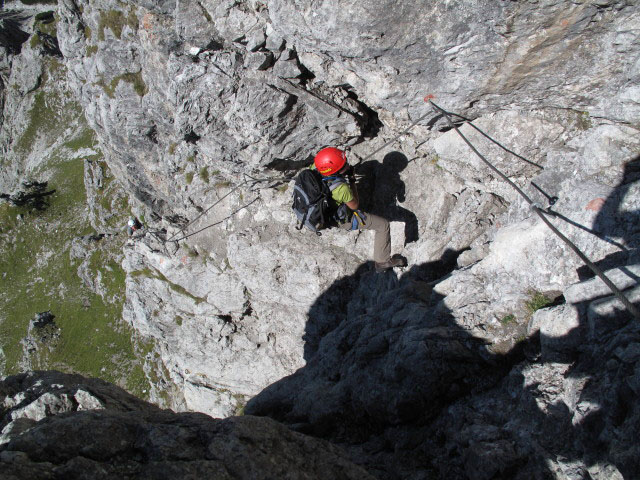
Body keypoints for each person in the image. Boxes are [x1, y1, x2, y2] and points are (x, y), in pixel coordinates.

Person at [314, 147, 406, 273]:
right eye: (344, 164)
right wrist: (351, 181)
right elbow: (355, 205)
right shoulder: (341, 189)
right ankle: (382, 262)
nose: (347, 164)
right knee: (383, 225)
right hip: (341, 219)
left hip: (324, 207)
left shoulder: (316, 169)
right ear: (337, 171)